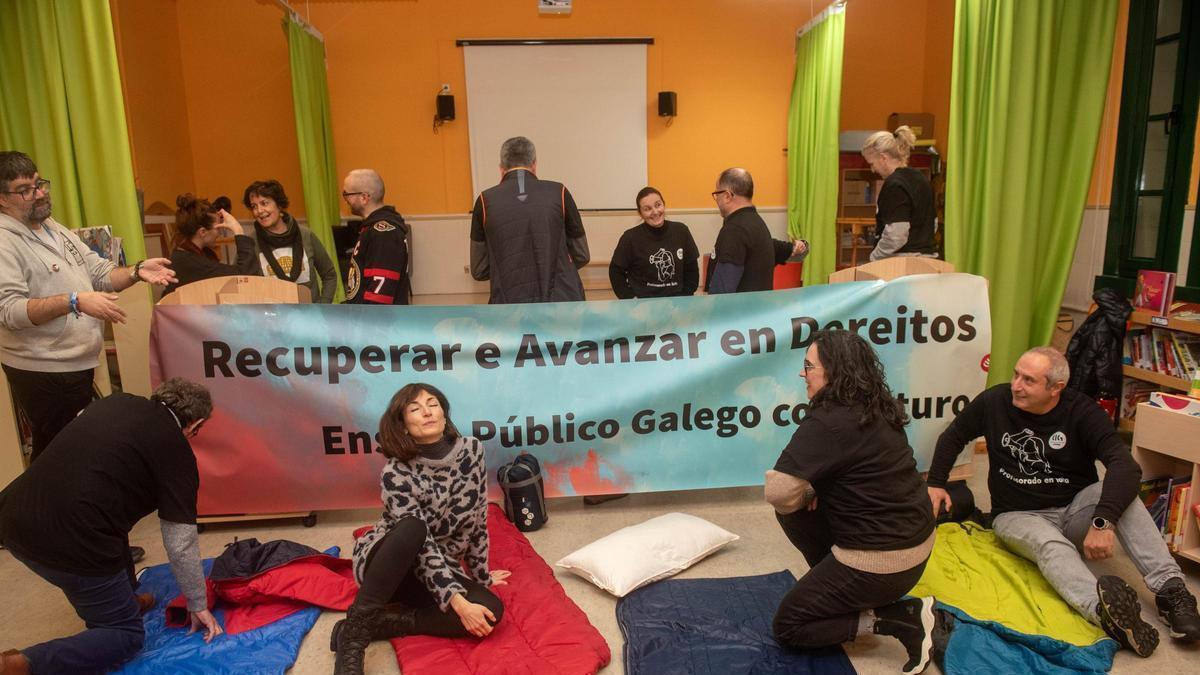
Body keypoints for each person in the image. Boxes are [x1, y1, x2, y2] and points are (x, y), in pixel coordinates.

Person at [926, 347, 1200, 658]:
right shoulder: (994, 401)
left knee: (1123, 496)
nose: (1016, 385)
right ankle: (1104, 613)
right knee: (1049, 544)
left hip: (1074, 509)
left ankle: (1172, 593)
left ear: (1056, 388)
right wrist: (936, 483)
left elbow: (1125, 466)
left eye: (1029, 380)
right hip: (1017, 514)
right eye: (1016, 374)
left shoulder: (1081, 411)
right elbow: (953, 436)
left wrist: (1102, 521)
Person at [0, 378, 223, 674]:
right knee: (124, 636)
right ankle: (19, 665)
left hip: (12, 517)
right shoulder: (176, 452)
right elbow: (179, 540)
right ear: (195, 425)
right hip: (67, 541)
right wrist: (197, 604)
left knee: (114, 527)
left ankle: (124, 600)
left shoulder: (115, 403)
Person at [765, 330, 944, 675]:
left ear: (833, 372)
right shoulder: (877, 404)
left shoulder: (828, 421)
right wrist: (814, 491)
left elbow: (778, 491)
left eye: (809, 366)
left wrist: (808, 491)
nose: (803, 374)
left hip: (883, 564)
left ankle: (897, 619)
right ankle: (839, 589)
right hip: (916, 547)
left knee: (789, 625)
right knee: (800, 508)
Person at [0, 151, 176, 463]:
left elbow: (97, 271)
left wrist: (136, 271)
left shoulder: (52, 227)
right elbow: (10, 312)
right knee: (60, 459)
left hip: (75, 363)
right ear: (2, 199)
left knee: (71, 455)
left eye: (40, 183)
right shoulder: (4, 241)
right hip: (43, 369)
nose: (39, 193)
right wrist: (74, 301)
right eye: (25, 189)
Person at [332, 383, 507, 674]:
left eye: (433, 403)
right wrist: (458, 602)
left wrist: (482, 577)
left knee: (491, 612)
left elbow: (477, 519)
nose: (427, 412)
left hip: (435, 570)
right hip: (389, 561)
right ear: (403, 426)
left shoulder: (472, 450)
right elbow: (422, 548)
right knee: (413, 529)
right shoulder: (396, 472)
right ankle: (354, 636)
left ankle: (384, 623)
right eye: (415, 408)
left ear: (444, 413)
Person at [469, 136, 590, 303]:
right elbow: (582, 254)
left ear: (501, 168)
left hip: (510, 305)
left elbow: (479, 269)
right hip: (562, 303)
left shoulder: (484, 201)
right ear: (534, 164)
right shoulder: (559, 192)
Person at [708, 168, 807, 294]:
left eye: (717, 194)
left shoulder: (735, 230)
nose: (716, 199)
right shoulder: (757, 223)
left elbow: (722, 290)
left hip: (741, 312)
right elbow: (786, 250)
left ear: (727, 196)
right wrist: (799, 247)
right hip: (759, 309)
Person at [243, 180, 338, 303]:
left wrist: (323, 306)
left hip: (310, 316)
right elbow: (243, 284)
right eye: (254, 206)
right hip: (273, 319)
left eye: (264, 203)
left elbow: (329, 274)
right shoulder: (251, 243)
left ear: (279, 205)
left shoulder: (306, 235)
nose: (259, 211)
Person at [861, 127, 937, 261]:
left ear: (883, 158)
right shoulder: (921, 179)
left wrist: (874, 258)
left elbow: (896, 235)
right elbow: (933, 224)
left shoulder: (894, 185)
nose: (873, 170)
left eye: (872, 164)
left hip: (902, 263)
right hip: (928, 259)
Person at [161, 193, 259, 296]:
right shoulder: (194, 264)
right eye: (218, 228)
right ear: (202, 232)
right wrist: (238, 230)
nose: (220, 233)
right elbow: (247, 276)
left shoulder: (182, 254)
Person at [609, 187, 700, 298]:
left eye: (658, 205)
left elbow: (692, 270)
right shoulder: (630, 238)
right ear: (640, 213)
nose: (655, 212)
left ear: (664, 204)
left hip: (677, 303)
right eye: (647, 209)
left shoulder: (681, 231)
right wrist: (630, 299)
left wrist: (684, 297)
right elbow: (615, 271)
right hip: (643, 305)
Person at [341, 169, 412, 305]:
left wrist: (366, 323)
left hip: (377, 323)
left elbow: (380, 294)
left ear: (364, 198)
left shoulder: (384, 234)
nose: (345, 200)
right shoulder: (371, 229)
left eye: (347, 194)